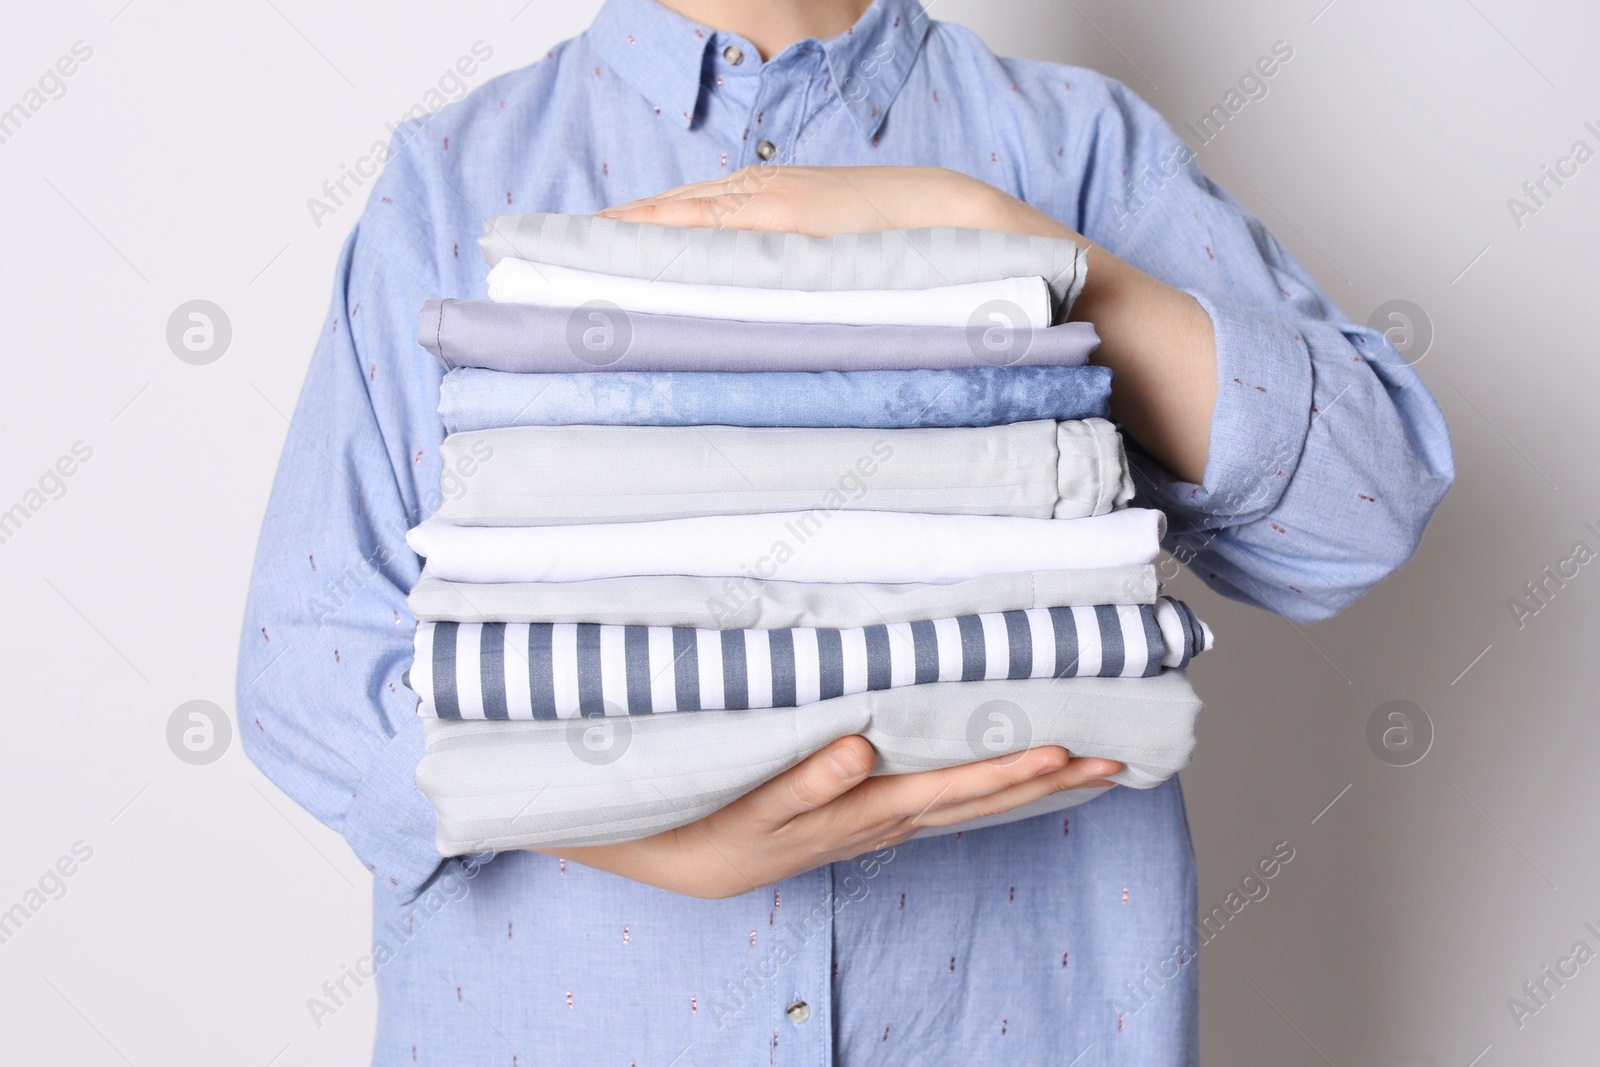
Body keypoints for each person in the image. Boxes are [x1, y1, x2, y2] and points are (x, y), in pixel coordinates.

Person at [236, 0, 1453, 1062]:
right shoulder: (457, 177)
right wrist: (655, 836)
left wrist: (1012, 245)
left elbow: (1362, 503)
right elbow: (312, 669)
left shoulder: (1078, 151)